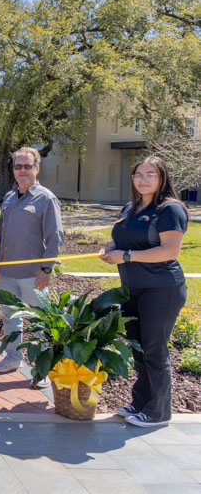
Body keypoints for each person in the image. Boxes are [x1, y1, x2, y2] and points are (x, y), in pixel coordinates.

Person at [99, 156, 190, 427]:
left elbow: (169, 251)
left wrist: (125, 256)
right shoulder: (132, 206)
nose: (143, 179)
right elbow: (124, 237)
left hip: (162, 289)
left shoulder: (170, 210)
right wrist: (110, 247)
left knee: (154, 349)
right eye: (138, 174)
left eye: (150, 174)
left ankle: (159, 412)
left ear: (162, 178)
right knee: (139, 349)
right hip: (133, 288)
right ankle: (141, 403)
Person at [0, 147, 63, 380]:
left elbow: (55, 237)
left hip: (33, 276)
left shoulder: (46, 198)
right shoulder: (10, 197)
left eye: (27, 166)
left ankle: (42, 369)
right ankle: (13, 358)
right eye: (18, 166)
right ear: (13, 169)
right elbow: (1, 232)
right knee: (10, 319)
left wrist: (46, 270)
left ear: (36, 168)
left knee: (40, 323)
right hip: (7, 272)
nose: (22, 170)